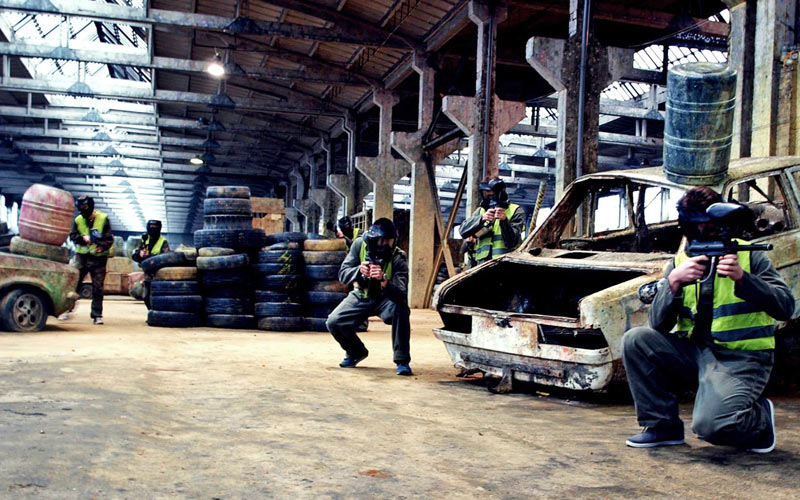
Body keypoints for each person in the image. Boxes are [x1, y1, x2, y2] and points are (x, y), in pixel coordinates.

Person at [621, 186, 795, 453]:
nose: (704, 231)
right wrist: (674, 282)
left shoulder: (749, 255)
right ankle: (661, 427)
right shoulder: (681, 260)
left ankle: (759, 420)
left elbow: (786, 307)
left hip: (739, 358)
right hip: (694, 352)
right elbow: (657, 326)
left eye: (711, 224)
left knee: (712, 426)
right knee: (636, 340)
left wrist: (742, 278)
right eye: (697, 224)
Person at [326, 217, 412, 376]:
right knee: (333, 321)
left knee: (401, 309)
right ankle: (356, 352)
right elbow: (343, 274)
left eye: (390, 241)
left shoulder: (399, 257)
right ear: (373, 239)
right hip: (361, 295)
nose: (386, 244)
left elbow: (401, 293)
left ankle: (402, 360)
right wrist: (358, 271)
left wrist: (384, 280)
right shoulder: (359, 245)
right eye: (382, 241)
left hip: (385, 300)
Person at [63, 195, 114, 325]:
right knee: (74, 283)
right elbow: (73, 236)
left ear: (91, 207)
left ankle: (97, 315)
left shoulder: (103, 219)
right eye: (80, 208)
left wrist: (101, 247)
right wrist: (82, 238)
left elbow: (109, 239)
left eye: (85, 208)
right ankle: (66, 310)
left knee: (98, 287)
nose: (82, 211)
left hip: (98, 259)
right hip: (82, 257)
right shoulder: (78, 220)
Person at [458, 177, 526, 265]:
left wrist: (504, 221)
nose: (490, 195)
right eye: (487, 193)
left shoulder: (515, 210)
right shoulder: (480, 211)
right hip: (482, 265)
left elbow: (512, 242)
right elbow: (463, 231)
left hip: (505, 264)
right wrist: (481, 219)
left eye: (493, 193)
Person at [131, 219, 170, 309]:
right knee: (146, 296)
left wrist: (150, 256)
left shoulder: (163, 242)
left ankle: (157, 314)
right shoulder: (144, 240)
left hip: (159, 274)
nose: (152, 229)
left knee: (157, 297)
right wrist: (140, 254)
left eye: (155, 227)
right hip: (148, 273)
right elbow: (134, 256)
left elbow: (166, 258)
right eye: (151, 227)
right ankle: (152, 313)